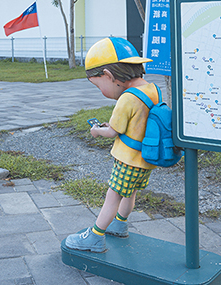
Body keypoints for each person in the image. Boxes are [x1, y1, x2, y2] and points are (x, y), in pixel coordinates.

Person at [64, 36, 159, 253]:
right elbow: (137, 122)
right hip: (144, 159)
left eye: (99, 86)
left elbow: (112, 131)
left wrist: (97, 131)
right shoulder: (152, 89)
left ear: (108, 75)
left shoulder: (127, 97)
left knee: (113, 195)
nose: (101, 91)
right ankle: (120, 224)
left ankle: (96, 236)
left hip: (127, 159)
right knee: (130, 192)